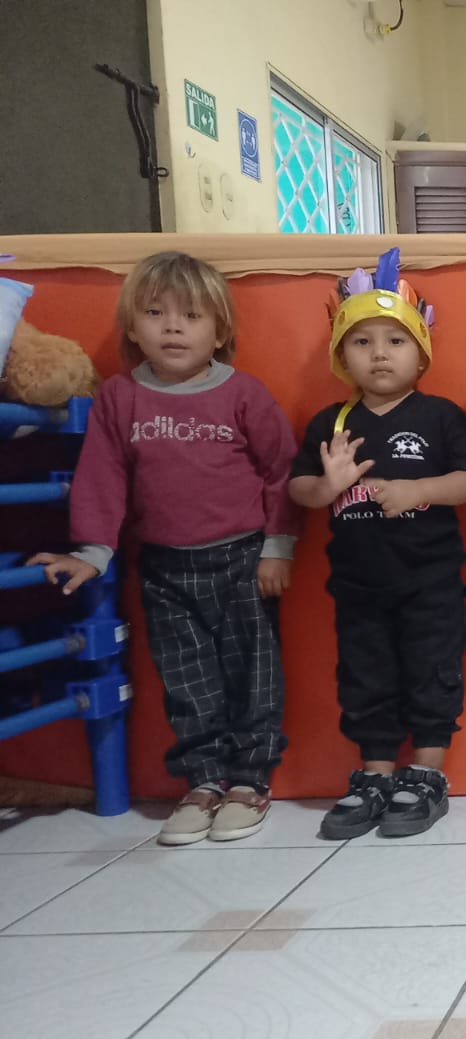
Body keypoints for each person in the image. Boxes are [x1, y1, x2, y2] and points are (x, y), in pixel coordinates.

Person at [29, 251, 296, 845]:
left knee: (254, 675)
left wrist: (278, 547)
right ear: (132, 325)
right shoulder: (120, 398)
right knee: (186, 679)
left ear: (219, 331)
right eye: (155, 313)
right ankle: (203, 781)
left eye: (192, 316)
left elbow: (282, 470)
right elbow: (102, 477)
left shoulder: (244, 394)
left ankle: (249, 780)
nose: (173, 327)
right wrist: (92, 551)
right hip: (165, 567)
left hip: (242, 560)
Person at [289, 249, 466, 839]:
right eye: (362, 342)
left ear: (420, 352)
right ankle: (373, 776)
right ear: (340, 354)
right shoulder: (331, 423)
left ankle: (425, 775)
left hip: (431, 586)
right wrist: (328, 486)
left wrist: (420, 489)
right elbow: (298, 489)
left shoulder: (440, 416)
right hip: (358, 588)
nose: (379, 353)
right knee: (365, 678)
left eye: (395, 341)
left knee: (432, 674)